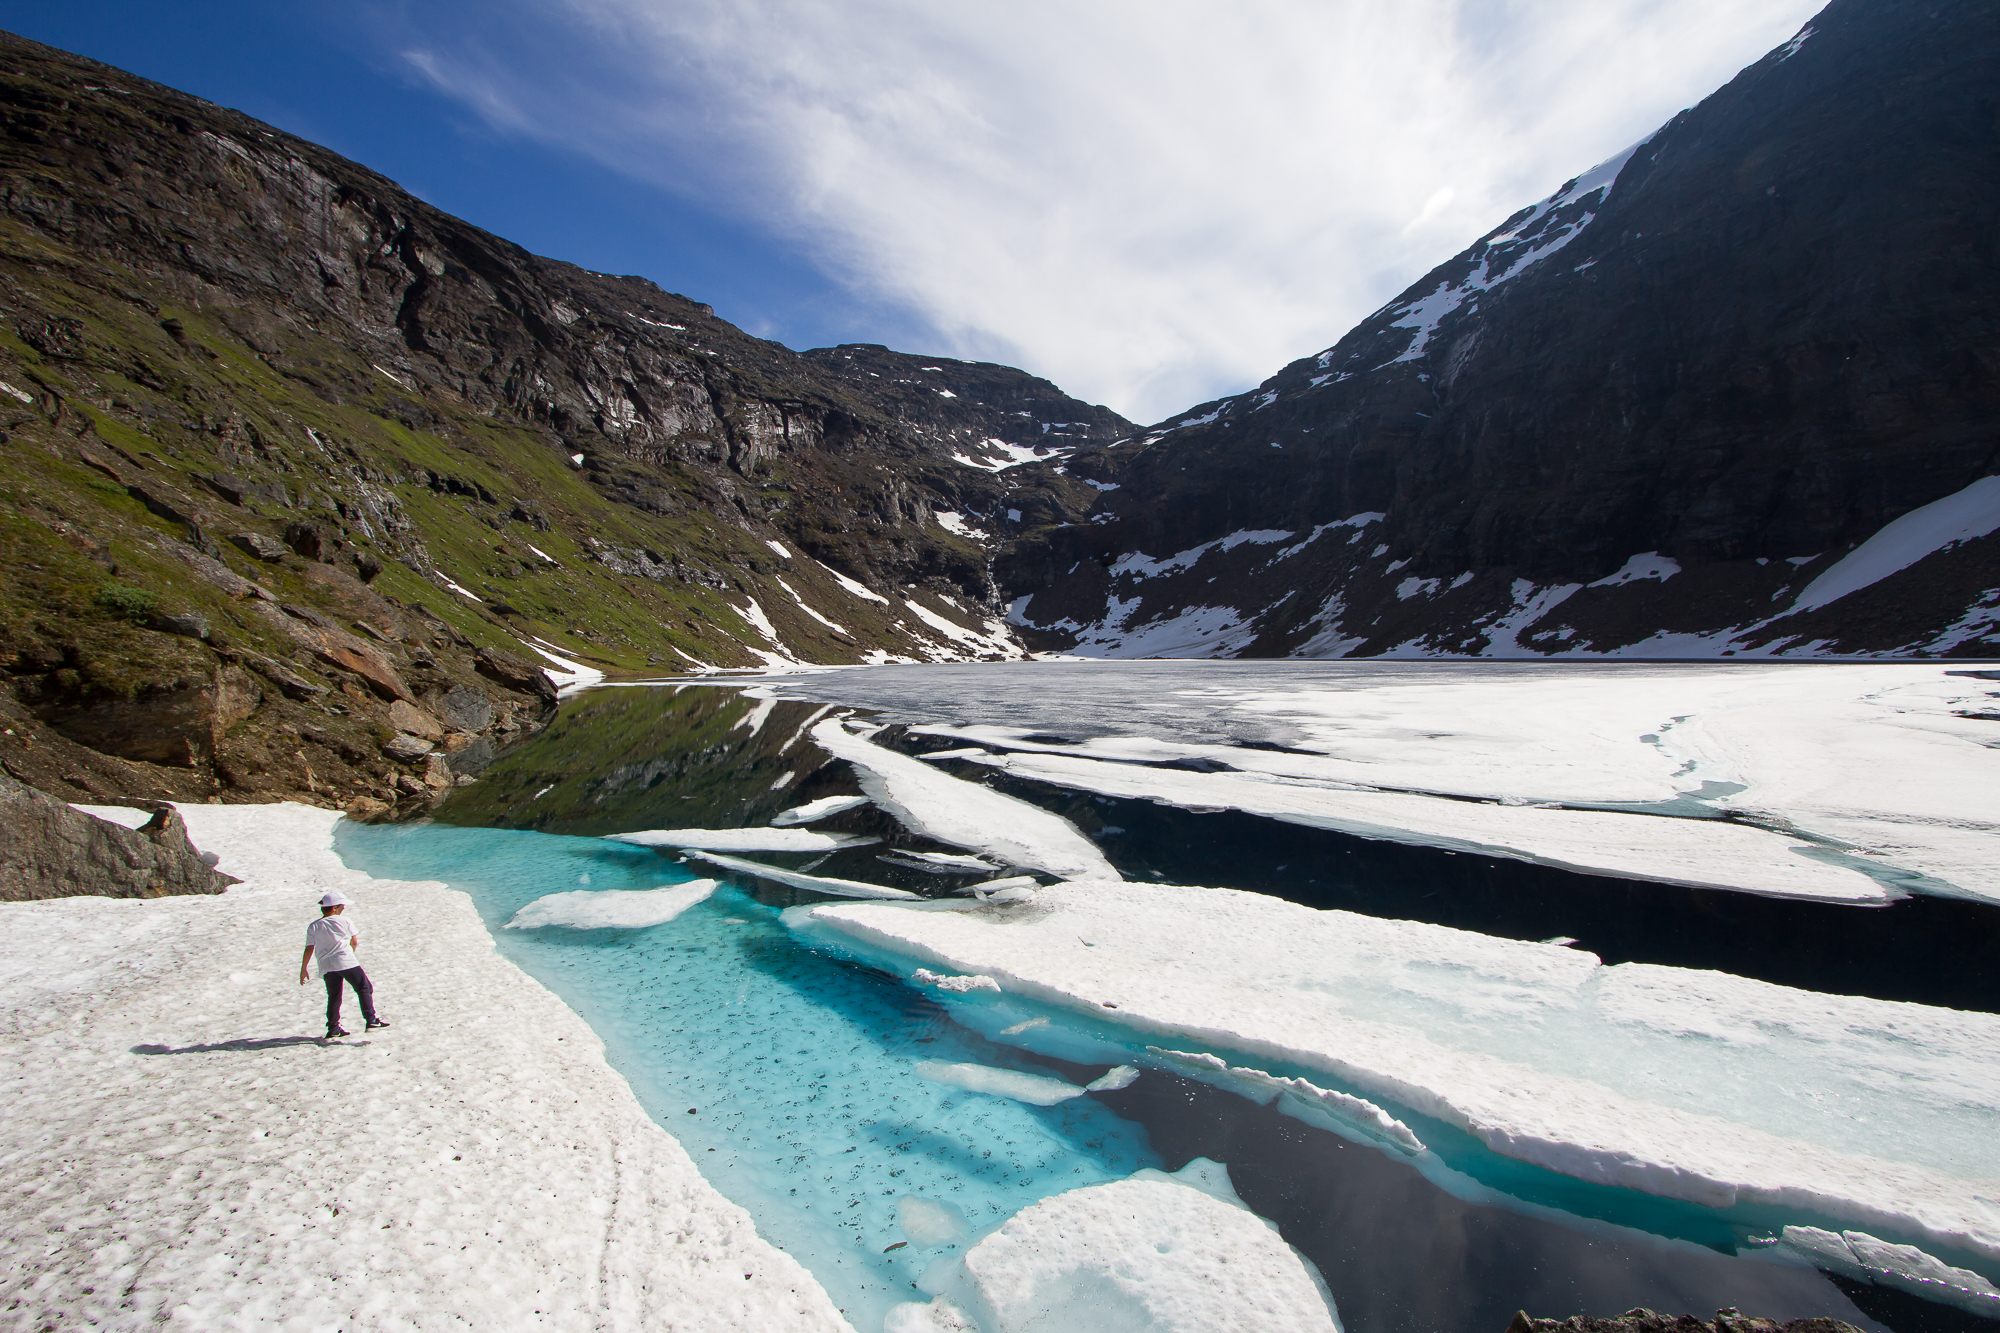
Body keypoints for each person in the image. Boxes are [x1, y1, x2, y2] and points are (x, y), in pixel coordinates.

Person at [300, 891, 389, 1039]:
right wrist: (350, 955)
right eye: (342, 905)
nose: (344, 908)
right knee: (364, 987)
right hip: (346, 961)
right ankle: (371, 1020)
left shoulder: (313, 926)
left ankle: (333, 1028)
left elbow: (309, 948)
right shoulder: (345, 921)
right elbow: (354, 942)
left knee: (334, 996)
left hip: (326, 965)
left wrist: (304, 969)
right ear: (334, 907)